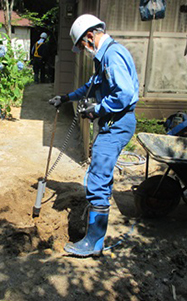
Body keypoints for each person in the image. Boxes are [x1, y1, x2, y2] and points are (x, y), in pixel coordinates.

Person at [49, 14, 139, 257]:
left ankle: (94, 242)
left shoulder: (112, 55)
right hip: (113, 121)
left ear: (89, 36)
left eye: (81, 46)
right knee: (100, 172)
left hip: (118, 122)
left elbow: (124, 93)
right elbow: (91, 87)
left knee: (98, 176)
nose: (82, 50)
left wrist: (97, 109)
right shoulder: (103, 58)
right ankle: (95, 224)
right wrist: (67, 98)